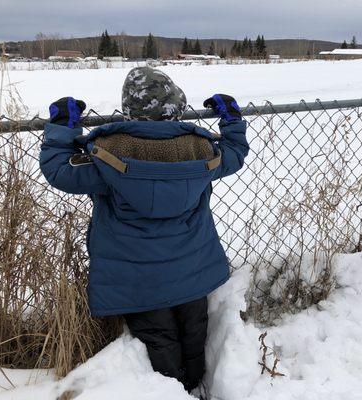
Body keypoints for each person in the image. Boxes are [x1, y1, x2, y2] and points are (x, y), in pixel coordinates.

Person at [40, 67, 249, 392]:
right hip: (191, 269)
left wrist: (61, 127)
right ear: (177, 107)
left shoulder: (108, 154)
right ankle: (196, 385)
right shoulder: (201, 151)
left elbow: (60, 170)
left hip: (138, 280)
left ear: (130, 110)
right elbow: (234, 155)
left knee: (159, 337)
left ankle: (170, 391)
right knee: (195, 328)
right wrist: (232, 120)